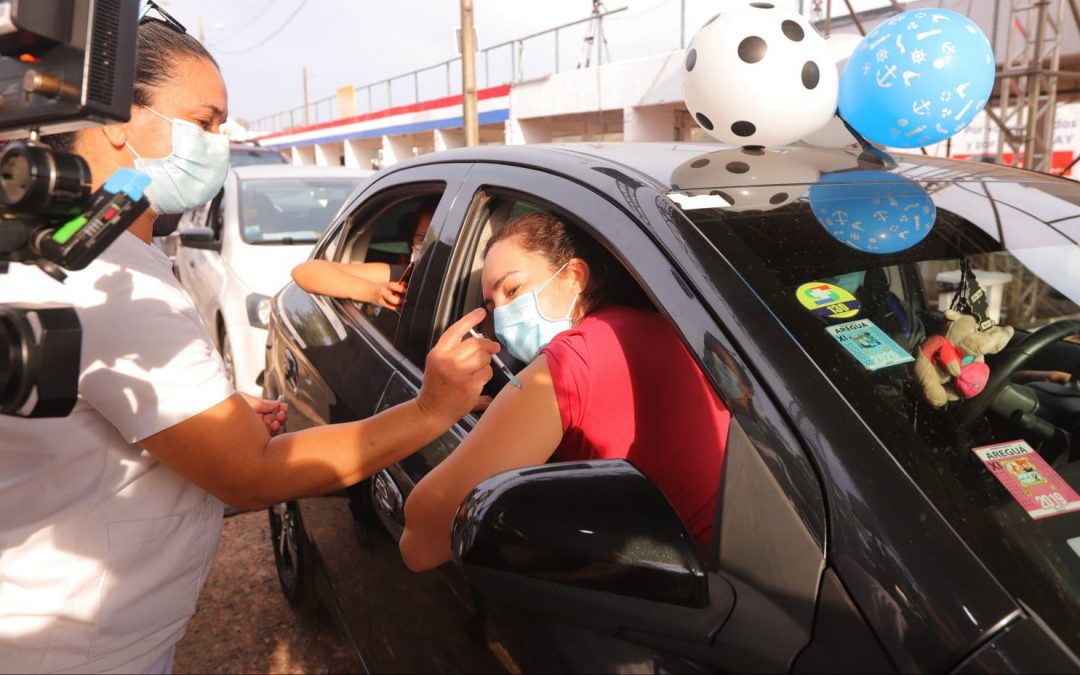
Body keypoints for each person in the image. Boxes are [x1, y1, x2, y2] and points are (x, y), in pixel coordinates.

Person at [0, 9, 497, 674]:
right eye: (204, 122)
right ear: (118, 121)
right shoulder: (111, 277)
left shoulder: (70, 242)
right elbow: (252, 474)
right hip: (75, 646)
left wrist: (215, 417)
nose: (219, 143)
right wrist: (432, 410)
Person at [398, 212, 732, 572]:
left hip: (688, 582)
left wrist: (434, 407)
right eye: (493, 306)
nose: (503, 316)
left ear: (574, 276)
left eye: (512, 290)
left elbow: (421, 542)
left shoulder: (570, 363)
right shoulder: (673, 328)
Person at [291, 199, 437, 310]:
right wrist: (373, 292)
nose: (427, 247)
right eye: (422, 238)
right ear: (411, 239)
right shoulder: (400, 278)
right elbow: (304, 272)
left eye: (436, 241)